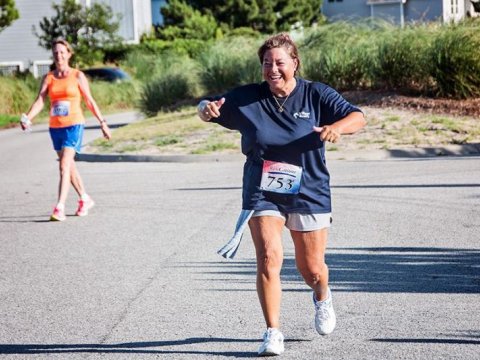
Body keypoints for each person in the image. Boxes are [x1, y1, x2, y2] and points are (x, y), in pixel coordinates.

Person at [197, 33, 366, 356]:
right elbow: (209, 106)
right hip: (263, 190)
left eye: (279, 63)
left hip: (309, 189)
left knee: (311, 268)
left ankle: (322, 295)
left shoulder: (316, 95)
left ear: (295, 64)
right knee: (268, 257)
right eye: (266, 63)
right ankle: (273, 331)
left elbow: (358, 117)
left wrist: (337, 128)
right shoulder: (248, 99)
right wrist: (204, 109)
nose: (272, 69)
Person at [21, 38, 112, 221]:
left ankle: (59, 208)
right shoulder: (49, 77)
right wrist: (28, 117)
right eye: (55, 53)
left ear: (69, 54)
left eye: (62, 52)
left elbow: (89, 100)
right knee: (68, 167)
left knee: (64, 165)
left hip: (74, 125)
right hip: (55, 128)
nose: (59, 56)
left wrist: (102, 122)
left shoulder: (77, 75)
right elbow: (40, 100)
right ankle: (84, 199)